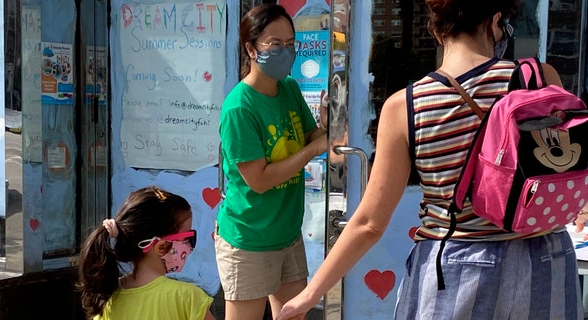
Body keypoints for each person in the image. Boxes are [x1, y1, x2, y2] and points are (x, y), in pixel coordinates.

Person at [277, 1, 584, 319]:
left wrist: (310, 294)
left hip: (457, 267)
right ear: (495, 22)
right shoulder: (538, 80)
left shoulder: (407, 106)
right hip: (547, 259)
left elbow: (370, 223)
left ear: (436, 30)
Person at [216, 4, 327, 320]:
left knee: (294, 316)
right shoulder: (239, 108)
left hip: (287, 234)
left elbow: (312, 137)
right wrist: (312, 150)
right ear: (251, 48)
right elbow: (260, 180)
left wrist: (327, 124)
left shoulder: (289, 88)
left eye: (290, 44)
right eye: (275, 44)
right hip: (249, 239)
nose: (285, 51)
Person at [77, 186, 215, 320]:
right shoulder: (187, 297)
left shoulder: (105, 297)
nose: (190, 246)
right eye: (188, 238)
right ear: (162, 246)